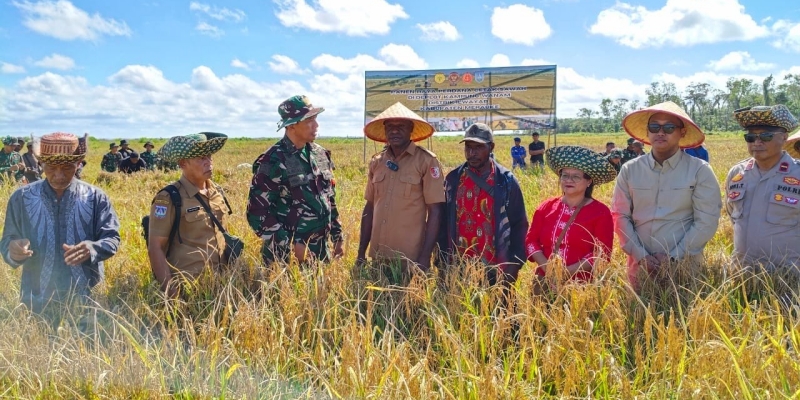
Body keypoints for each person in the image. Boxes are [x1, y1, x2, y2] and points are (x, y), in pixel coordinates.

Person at [0, 132, 120, 331]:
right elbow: (7, 241)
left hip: (86, 300)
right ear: (40, 165)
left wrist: (92, 248)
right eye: (51, 168)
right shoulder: (21, 198)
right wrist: (13, 249)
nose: (59, 175)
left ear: (79, 164)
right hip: (36, 298)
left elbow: (112, 238)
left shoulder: (96, 197)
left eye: (67, 168)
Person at [612, 101, 722, 289]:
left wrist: (673, 257)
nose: (660, 132)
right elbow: (620, 216)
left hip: (684, 270)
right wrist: (641, 256)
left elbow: (706, 221)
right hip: (640, 270)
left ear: (682, 132)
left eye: (669, 127)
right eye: (654, 127)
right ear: (647, 132)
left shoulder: (700, 171)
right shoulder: (630, 170)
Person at [247, 95, 343, 265]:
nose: (316, 125)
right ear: (291, 125)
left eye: (316, 119)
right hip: (285, 261)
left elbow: (329, 197)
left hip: (320, 252)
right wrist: (289, 246)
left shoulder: (319, 154)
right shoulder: (273, 160)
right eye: (309, 120)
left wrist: (337, 236)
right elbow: (256, 214)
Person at [357, 102, 445, 273]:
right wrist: (361, 253)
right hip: (379, 258)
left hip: (410, 259)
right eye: (390, 126)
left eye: (401, 126)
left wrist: (425, 257)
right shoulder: (377, 162)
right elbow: (370, 207)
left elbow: (435, 211)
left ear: (411, 129)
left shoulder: (426, 161)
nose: (394, 130)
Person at [438, 123, 529, 285]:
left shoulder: (506, 181)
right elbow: (443, 222)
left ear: (491, 147)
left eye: (478, 147)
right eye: (468, 147)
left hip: (497, 266)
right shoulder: (453, 179)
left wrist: (514, 265)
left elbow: (519, 224)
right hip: (460, 266)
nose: (472, 153)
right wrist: (441, 260)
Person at [147, 132, 231, 297]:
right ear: (183, 163)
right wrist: (171, 293)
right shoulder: (169, 197)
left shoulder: (217, 191)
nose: (208, 162)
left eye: (209, 156)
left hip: (222, 284)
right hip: (189, 287)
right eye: (201, 158)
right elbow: (155, 248)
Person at [726, 105, 800, 276]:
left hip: (787, 277)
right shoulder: (737, 173)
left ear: (784, 137)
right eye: (750, 137)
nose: (757, 143)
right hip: (742, 276)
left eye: (765, 136)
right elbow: (732, 216)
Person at [526, 146, 616, 283]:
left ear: (589, 181)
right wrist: (548, 269)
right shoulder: (546, 208)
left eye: (576, 176)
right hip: (545, 281)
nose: (569, 180)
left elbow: (601, 254)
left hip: (581, 289)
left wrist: (566, 272)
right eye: (565, 175)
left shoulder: (601, 212)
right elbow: (531, 242)